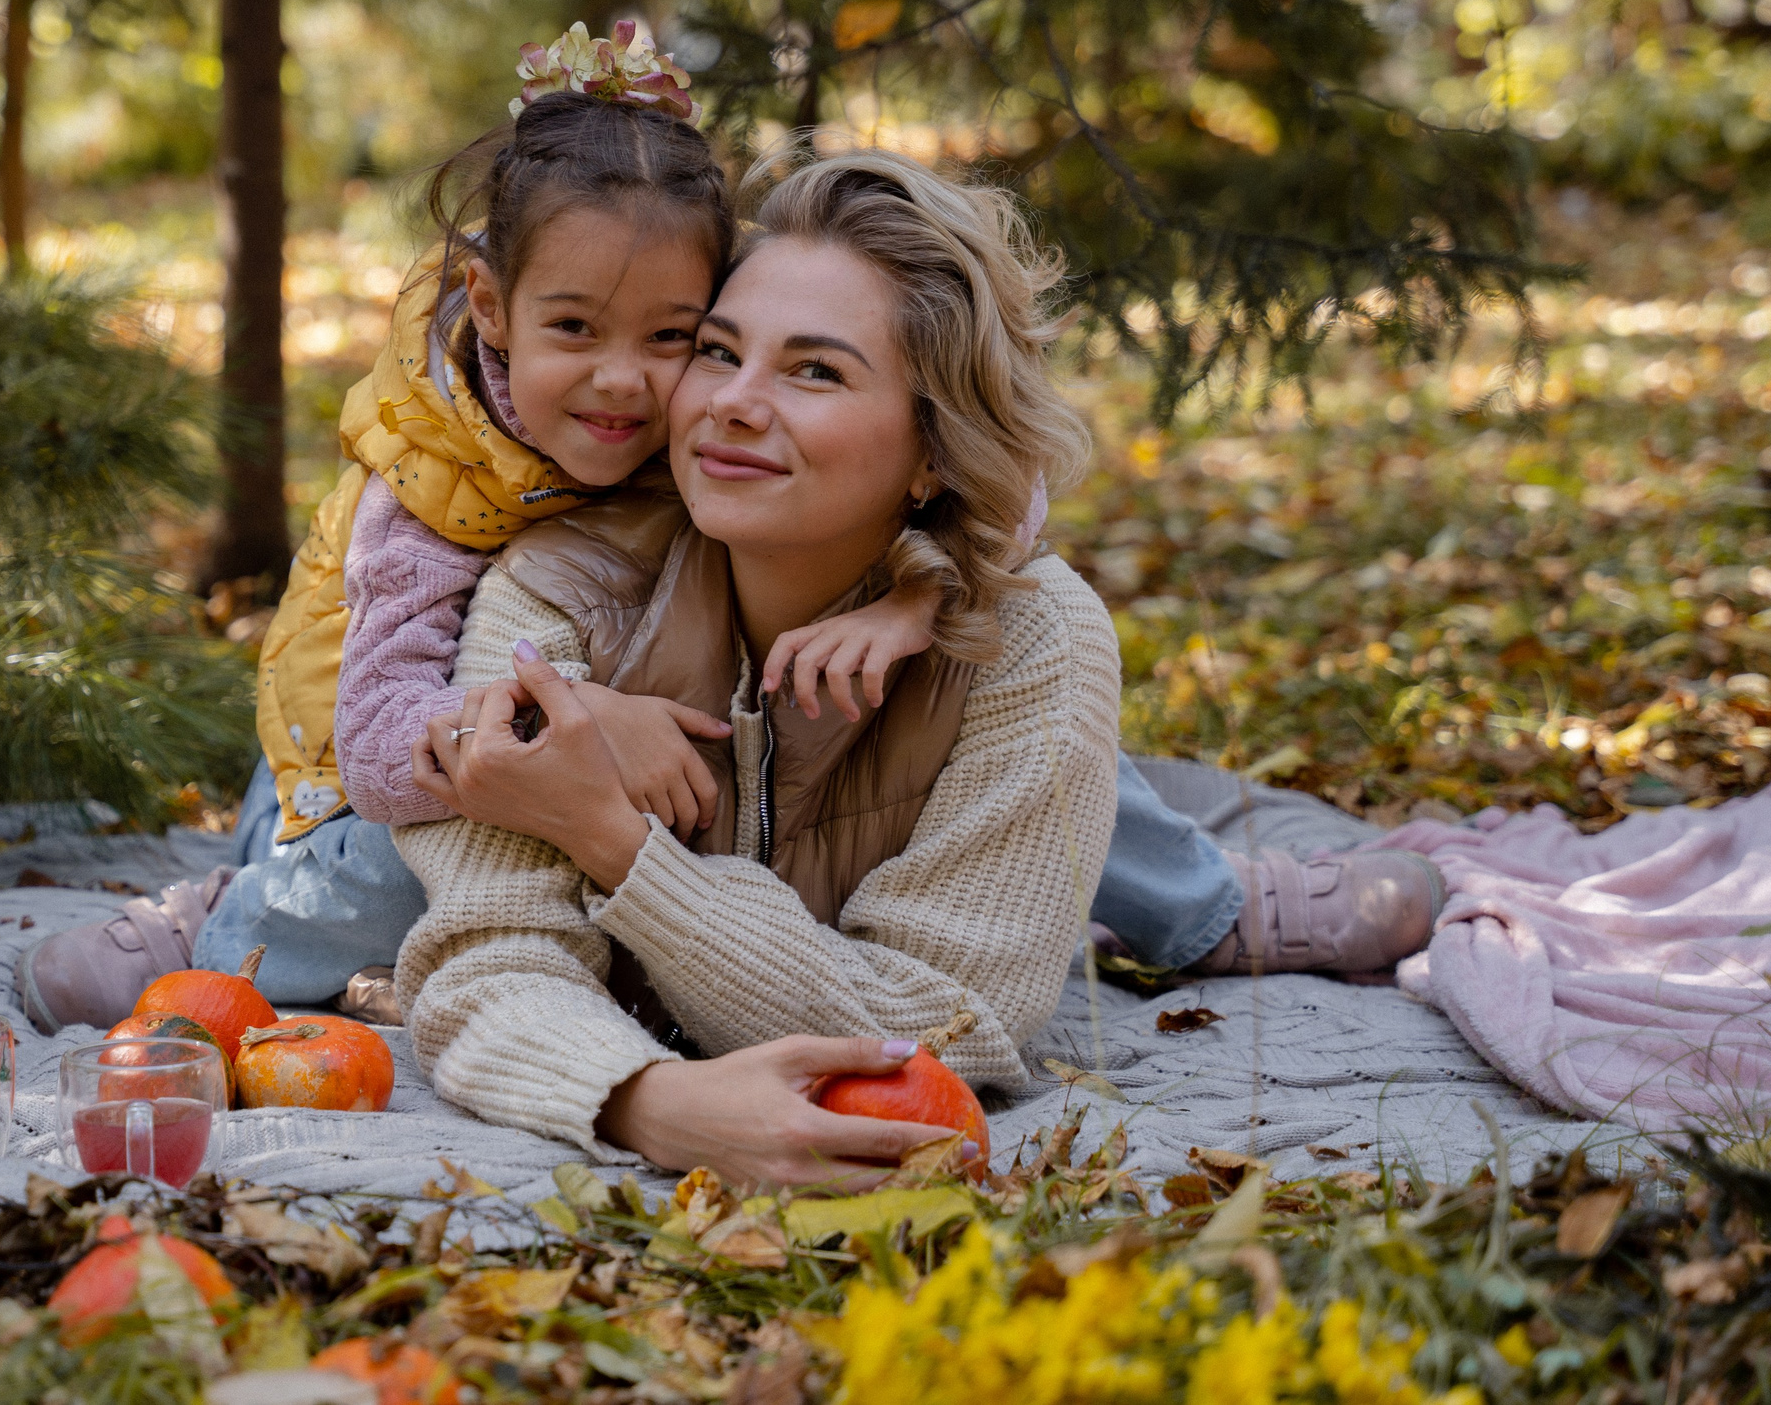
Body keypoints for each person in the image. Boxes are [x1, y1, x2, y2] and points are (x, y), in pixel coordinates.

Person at [14, 38, 1437, 1035]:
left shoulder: (722, 376)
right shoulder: (427, 482)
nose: (642, 387)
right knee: (408, 859)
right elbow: (397, 749)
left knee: (1015, 688)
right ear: (493, 305)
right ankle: (220, 924)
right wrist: (592, 720)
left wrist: (917, 594)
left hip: (614, 666)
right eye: (576, 331)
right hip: (377, 763)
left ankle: (1203, 905)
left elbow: (993, 480)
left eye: (677, 337)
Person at [395, 150, 1431, 1186]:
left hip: (984, 772)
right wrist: (647, 1103)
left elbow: (947, 1021)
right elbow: (486, 956)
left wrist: (612, 839)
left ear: (932, 447)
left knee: (1085, 818)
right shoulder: (559, 597)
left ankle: (1202, 896)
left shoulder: (1028, 641)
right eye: (716, 353)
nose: (734, 405)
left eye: (815, 370)